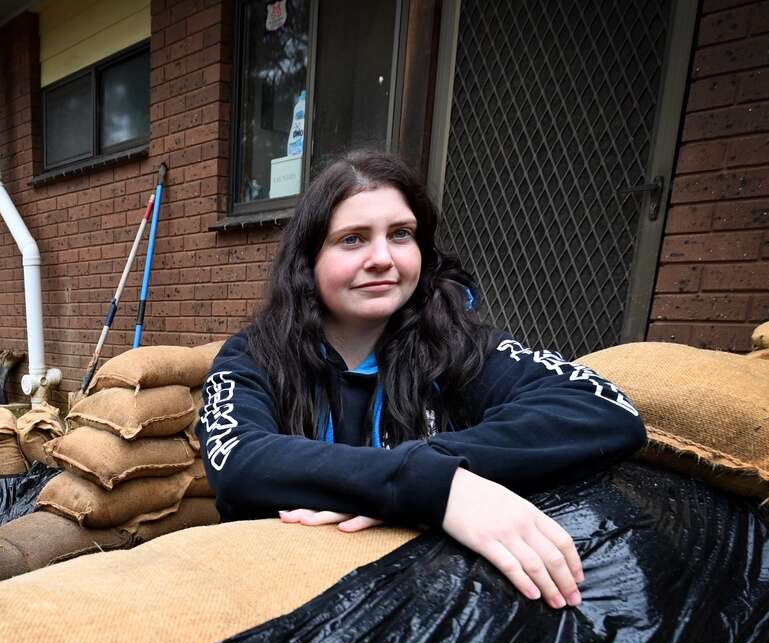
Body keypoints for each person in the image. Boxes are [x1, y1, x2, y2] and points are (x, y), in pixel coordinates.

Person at [198, 151, 647, 610]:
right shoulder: (251, 355)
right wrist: (430, 486)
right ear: (307, 260)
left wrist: (444, 474)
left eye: (401, 234)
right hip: (270, 598)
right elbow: (238, 460)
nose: (381, 258)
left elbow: (605, 409)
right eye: (352, 239)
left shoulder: (456, 345)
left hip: (416, 599)